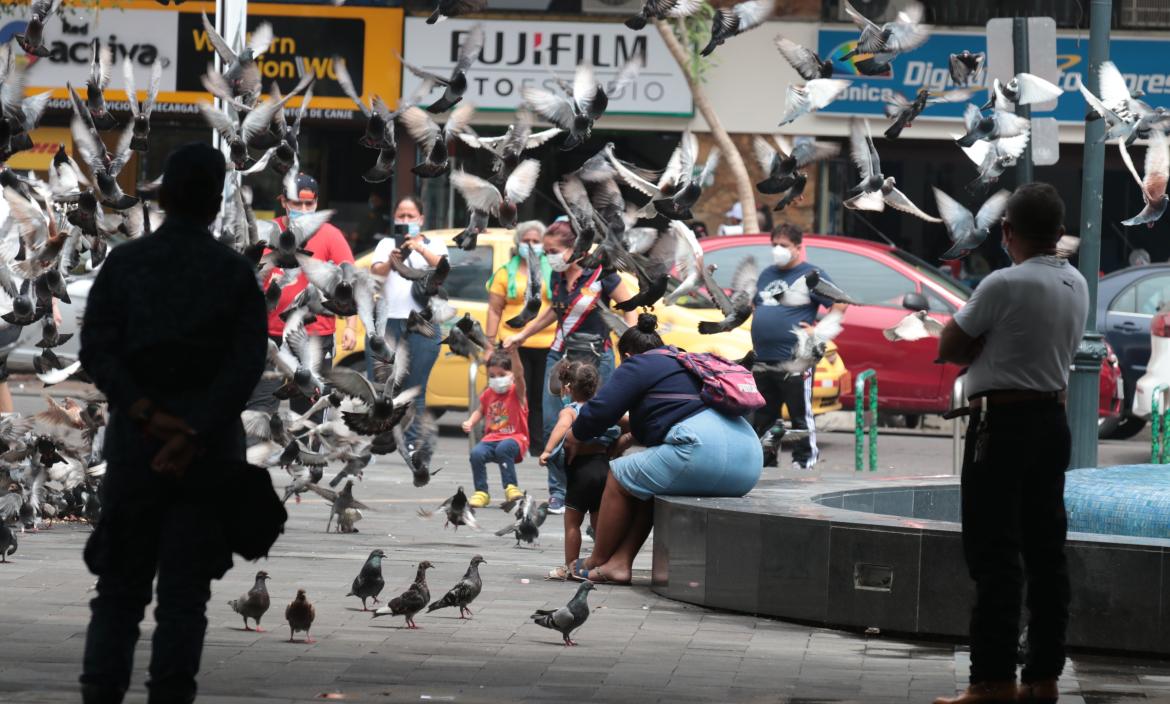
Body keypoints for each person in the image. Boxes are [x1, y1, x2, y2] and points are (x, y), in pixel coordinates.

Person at [77, 143, 269, 704]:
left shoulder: (127, 264)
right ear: (214, 205)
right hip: (207, 457)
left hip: (137, 452)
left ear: (162, 200)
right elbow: (245, 366)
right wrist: (192, 431)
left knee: (117, 594)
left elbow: (97, 350)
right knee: (185, 599)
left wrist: (145, 415)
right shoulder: (233, 273)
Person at [934, 183, 1088, 704]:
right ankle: (1042, 679)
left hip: (1001, 428)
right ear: (1059, 232)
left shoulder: (1003, 284)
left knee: (996, 555)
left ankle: (992, 682)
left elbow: (949, 346)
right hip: (1051, 424)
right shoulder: (1077, 283)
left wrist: (982, 342)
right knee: (1047, 554)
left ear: (1007, 232)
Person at [567, 314, 763, 584]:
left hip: (701, 451)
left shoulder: (638, 364)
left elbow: (598, 412)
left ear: (626, 354)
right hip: (749, 460)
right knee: (648, 486)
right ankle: (619, 564)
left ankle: (596, 561)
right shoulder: (686, 361)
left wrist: (573, 436)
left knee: (618, 475)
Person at [502, 220, 637, 515]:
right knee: (553, 424)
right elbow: (555, 310)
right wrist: (523, 334)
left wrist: (633, 346)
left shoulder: (602, 274)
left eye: (552, 250)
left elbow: (630, 305)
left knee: (600, 428)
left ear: (574, 249)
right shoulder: (558, 276)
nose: (547, 256)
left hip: (595, 359)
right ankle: (559, 492)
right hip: (560, 356)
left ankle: (599, 492)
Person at [749, 224, 847, 470]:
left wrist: (819, 330)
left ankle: (803, 464)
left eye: (783, 245)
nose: (777, 250)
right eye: (774, 245)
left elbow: (841, 302)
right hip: (763, 359)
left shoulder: (811, 274)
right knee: (763, 417)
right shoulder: (766, 274)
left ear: (798, 248)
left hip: (796, 359)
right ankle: (765, 463)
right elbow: (756, 305)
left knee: (799, 415)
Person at [262, 173, 359, 421]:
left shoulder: (330, 235)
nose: (304, 210)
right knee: (260, 409)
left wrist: (350, 326)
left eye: (309, 204)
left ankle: (307, 457)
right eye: (297, 203)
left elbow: (350, 281)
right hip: (270, 335)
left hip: (315, 336)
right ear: (284, 201)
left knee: (308, 413)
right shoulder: (268, 232)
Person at [369, 196, 449, 446]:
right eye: (400, 216)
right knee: (382, 386)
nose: (405, 220)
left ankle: (413, 443)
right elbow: (376, 273)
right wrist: (393, 261)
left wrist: (420, 248)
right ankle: (382, 439)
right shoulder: (385, 244)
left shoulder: (434, 243)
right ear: (394, 218)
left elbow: (443, 269)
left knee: (416, 387)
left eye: (410, 216)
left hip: (422, 323)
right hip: (389, 322)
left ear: (421, 219)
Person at [540, 361, 622, 581]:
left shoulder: (571, 410)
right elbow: (622, 428)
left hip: (581, 474)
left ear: (567, 388)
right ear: (595, 387)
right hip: (604, 471)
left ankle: (571, 568)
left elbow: (560, 429)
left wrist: (547, 451)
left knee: (573, 524)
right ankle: (603, 564)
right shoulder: (602, 411)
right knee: (599, 524)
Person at [484, 220, 552, 455]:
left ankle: (538, 444)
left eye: (536, 241)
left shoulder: (552, 271)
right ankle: (513, 440)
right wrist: (489, 344)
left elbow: (559, 307)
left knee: (541, 397)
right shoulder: (504, 272)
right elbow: (494, 310)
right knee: (514, 396)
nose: (531, 245)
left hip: (547, 344)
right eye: (527, 241)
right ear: (518, 243)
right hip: (512, 344)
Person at [460, 349, 528, 508]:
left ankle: (511, 486)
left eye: (502, 374)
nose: (497, 379)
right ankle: (481, 492)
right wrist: (470, 422)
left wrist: (515, 353)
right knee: (476, 453)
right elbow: (480, 410)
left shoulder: (517, 392)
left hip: (515, 439)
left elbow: (519, 375)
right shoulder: (488, 393)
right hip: (491, 439)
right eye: (492, 376)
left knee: (504, 448)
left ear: (512, 374)